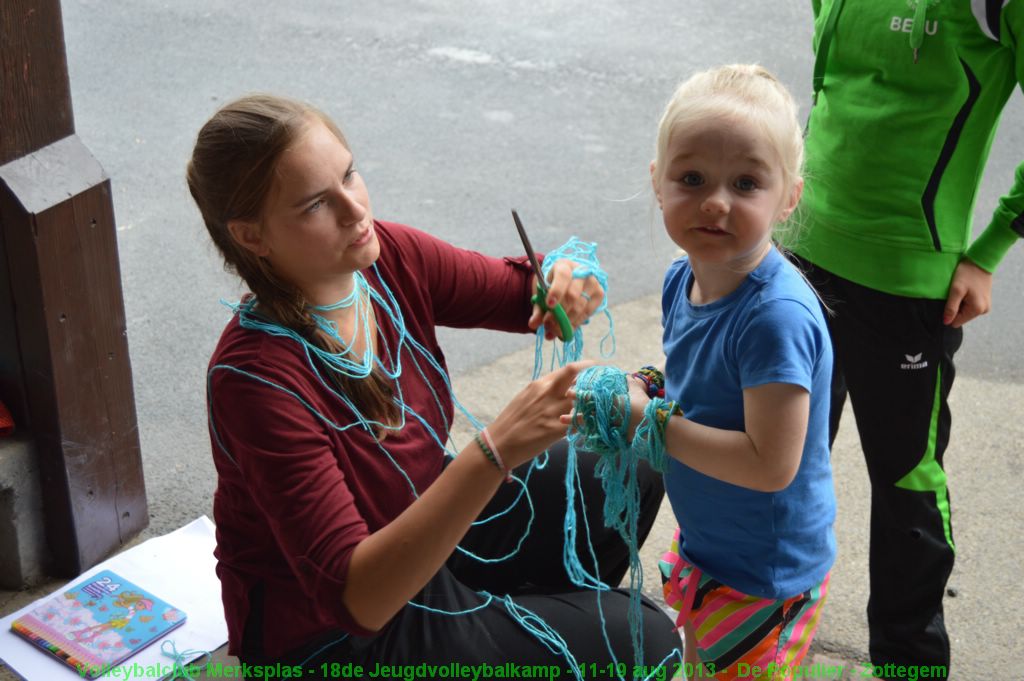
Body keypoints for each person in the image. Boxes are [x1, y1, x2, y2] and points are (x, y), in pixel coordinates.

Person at [185, 94, 679, 675]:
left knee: (629, 462)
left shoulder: (383, 258)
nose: (354, 210)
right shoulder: (254, 379)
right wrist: (494, 451)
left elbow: (519, 287)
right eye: (317, 204)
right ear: (252, 237)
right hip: (337, 638)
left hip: (421, 531)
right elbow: (357, 600)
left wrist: (566, 281)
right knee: (649, 640)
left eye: (349, 174)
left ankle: (523, 627)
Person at [788, 2, 1024, 675]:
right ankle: (762, 639)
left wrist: (989, 248)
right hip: (793, 255)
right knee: (776, 465)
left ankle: (909, 664)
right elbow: (830, 92)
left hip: (905, 282)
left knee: (905, 488)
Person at [629, 64, 836, 680]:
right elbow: (704, 389)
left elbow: (769, 463)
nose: (716, 201)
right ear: (657, 183)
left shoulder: (775, 317)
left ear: (788, 196)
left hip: (764, 573)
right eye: (691, 178)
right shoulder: (681, 280)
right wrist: (651, 386)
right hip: (710, 546)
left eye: (746, 183)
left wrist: (651, 424)